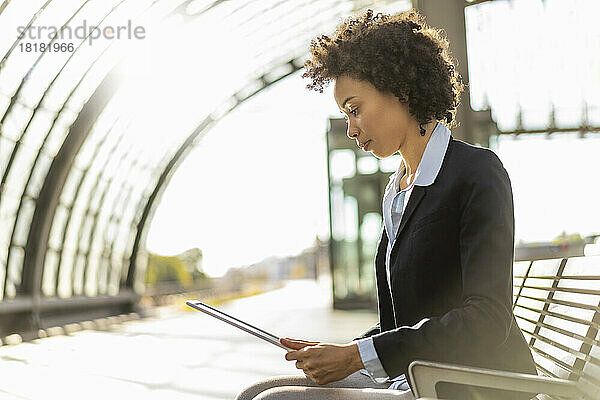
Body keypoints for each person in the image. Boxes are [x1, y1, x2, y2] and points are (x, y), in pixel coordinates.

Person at [236, 9, 536, 400]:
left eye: (355, 109)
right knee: (260, 390)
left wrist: (356, 357)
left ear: (401, 91)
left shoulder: (476, 173)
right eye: (345, 115)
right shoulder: (398, 191)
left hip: (471, 386)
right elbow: (401, 323)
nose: (351, 129)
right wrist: (339, 354)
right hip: (414, 377)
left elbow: (487, 320)